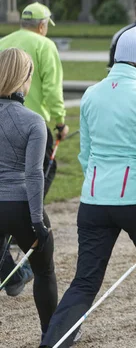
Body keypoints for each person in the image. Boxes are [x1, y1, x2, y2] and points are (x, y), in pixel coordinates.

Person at [40, 27, 136, 348]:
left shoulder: (92, 94)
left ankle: (52, 342)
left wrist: (98, 185)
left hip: (93, 201)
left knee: (85, 282)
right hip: (135, 203)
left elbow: (85, 155)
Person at [0, 48, 57, 339]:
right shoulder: (34, 121)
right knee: (44, 271)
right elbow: (34, 175)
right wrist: (38, 223)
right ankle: (51, 336)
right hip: (22, 206)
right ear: (25, 79)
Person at [0, 2, 69, 196]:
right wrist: (60, 122)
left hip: (3, 119)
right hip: (33, 121)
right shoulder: (45, 45)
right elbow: (52, 88)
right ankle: (31, 213)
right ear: (42, 26)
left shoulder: (3, 41)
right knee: (45, 168)